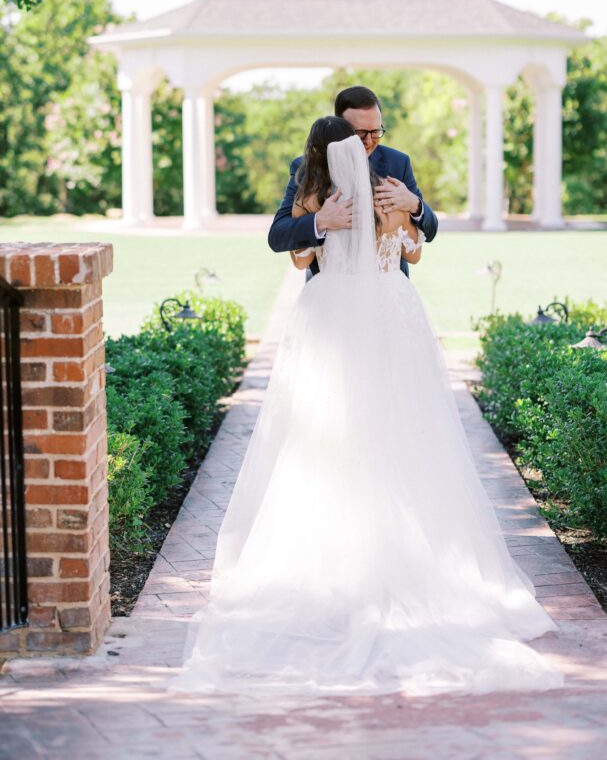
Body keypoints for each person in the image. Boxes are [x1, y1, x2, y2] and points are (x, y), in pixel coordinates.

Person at [165, 119, 565, 698]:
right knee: (379, 430)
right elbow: (391, 250)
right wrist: (341, 222)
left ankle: (351, 559)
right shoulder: (316, 188)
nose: (373, 141)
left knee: (346, 433)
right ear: (348, 137)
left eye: (378, 130)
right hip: (384, 310)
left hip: (341, 315)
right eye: (365, 133)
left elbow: (304, 261)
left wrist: (399, 209)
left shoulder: (370, 177)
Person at [268, 85, 438, 279]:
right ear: (340, 127)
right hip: (329, 294)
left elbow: (430, 232)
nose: (369, 140)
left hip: (385, 293)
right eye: (360, 133)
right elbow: (277, 236)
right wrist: (320, 220)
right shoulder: (305, 168)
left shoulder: (398, 163)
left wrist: (415, 205)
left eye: (376, 131)